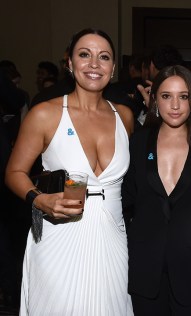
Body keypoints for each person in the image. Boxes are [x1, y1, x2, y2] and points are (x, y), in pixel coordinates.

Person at [5, 28, 134, 315]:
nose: (93, 64)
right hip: (59, 235)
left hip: (112, 237)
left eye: (104, 57)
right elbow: (14, 172)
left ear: (113, 68)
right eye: (84, 55)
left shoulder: (123, 116)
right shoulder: (45, 114)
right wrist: (39, 200)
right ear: (70, 63)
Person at [122, 64, 191, 315]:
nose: (175, 105)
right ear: (154, 100)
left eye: (183, 96)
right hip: (145, 264)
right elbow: (124, 197)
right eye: (166, 96)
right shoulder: (139, 141)